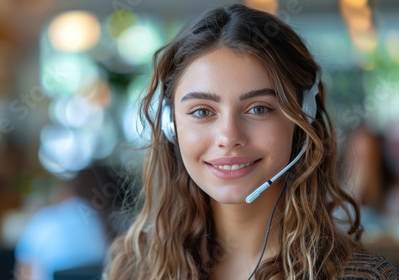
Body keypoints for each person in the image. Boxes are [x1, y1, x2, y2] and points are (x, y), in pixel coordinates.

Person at [103, 4, 399, 280]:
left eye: (258, 108)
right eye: (202, 111)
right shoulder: (133, 267)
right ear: (171, 125)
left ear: (304, 118)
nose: (229, 137)